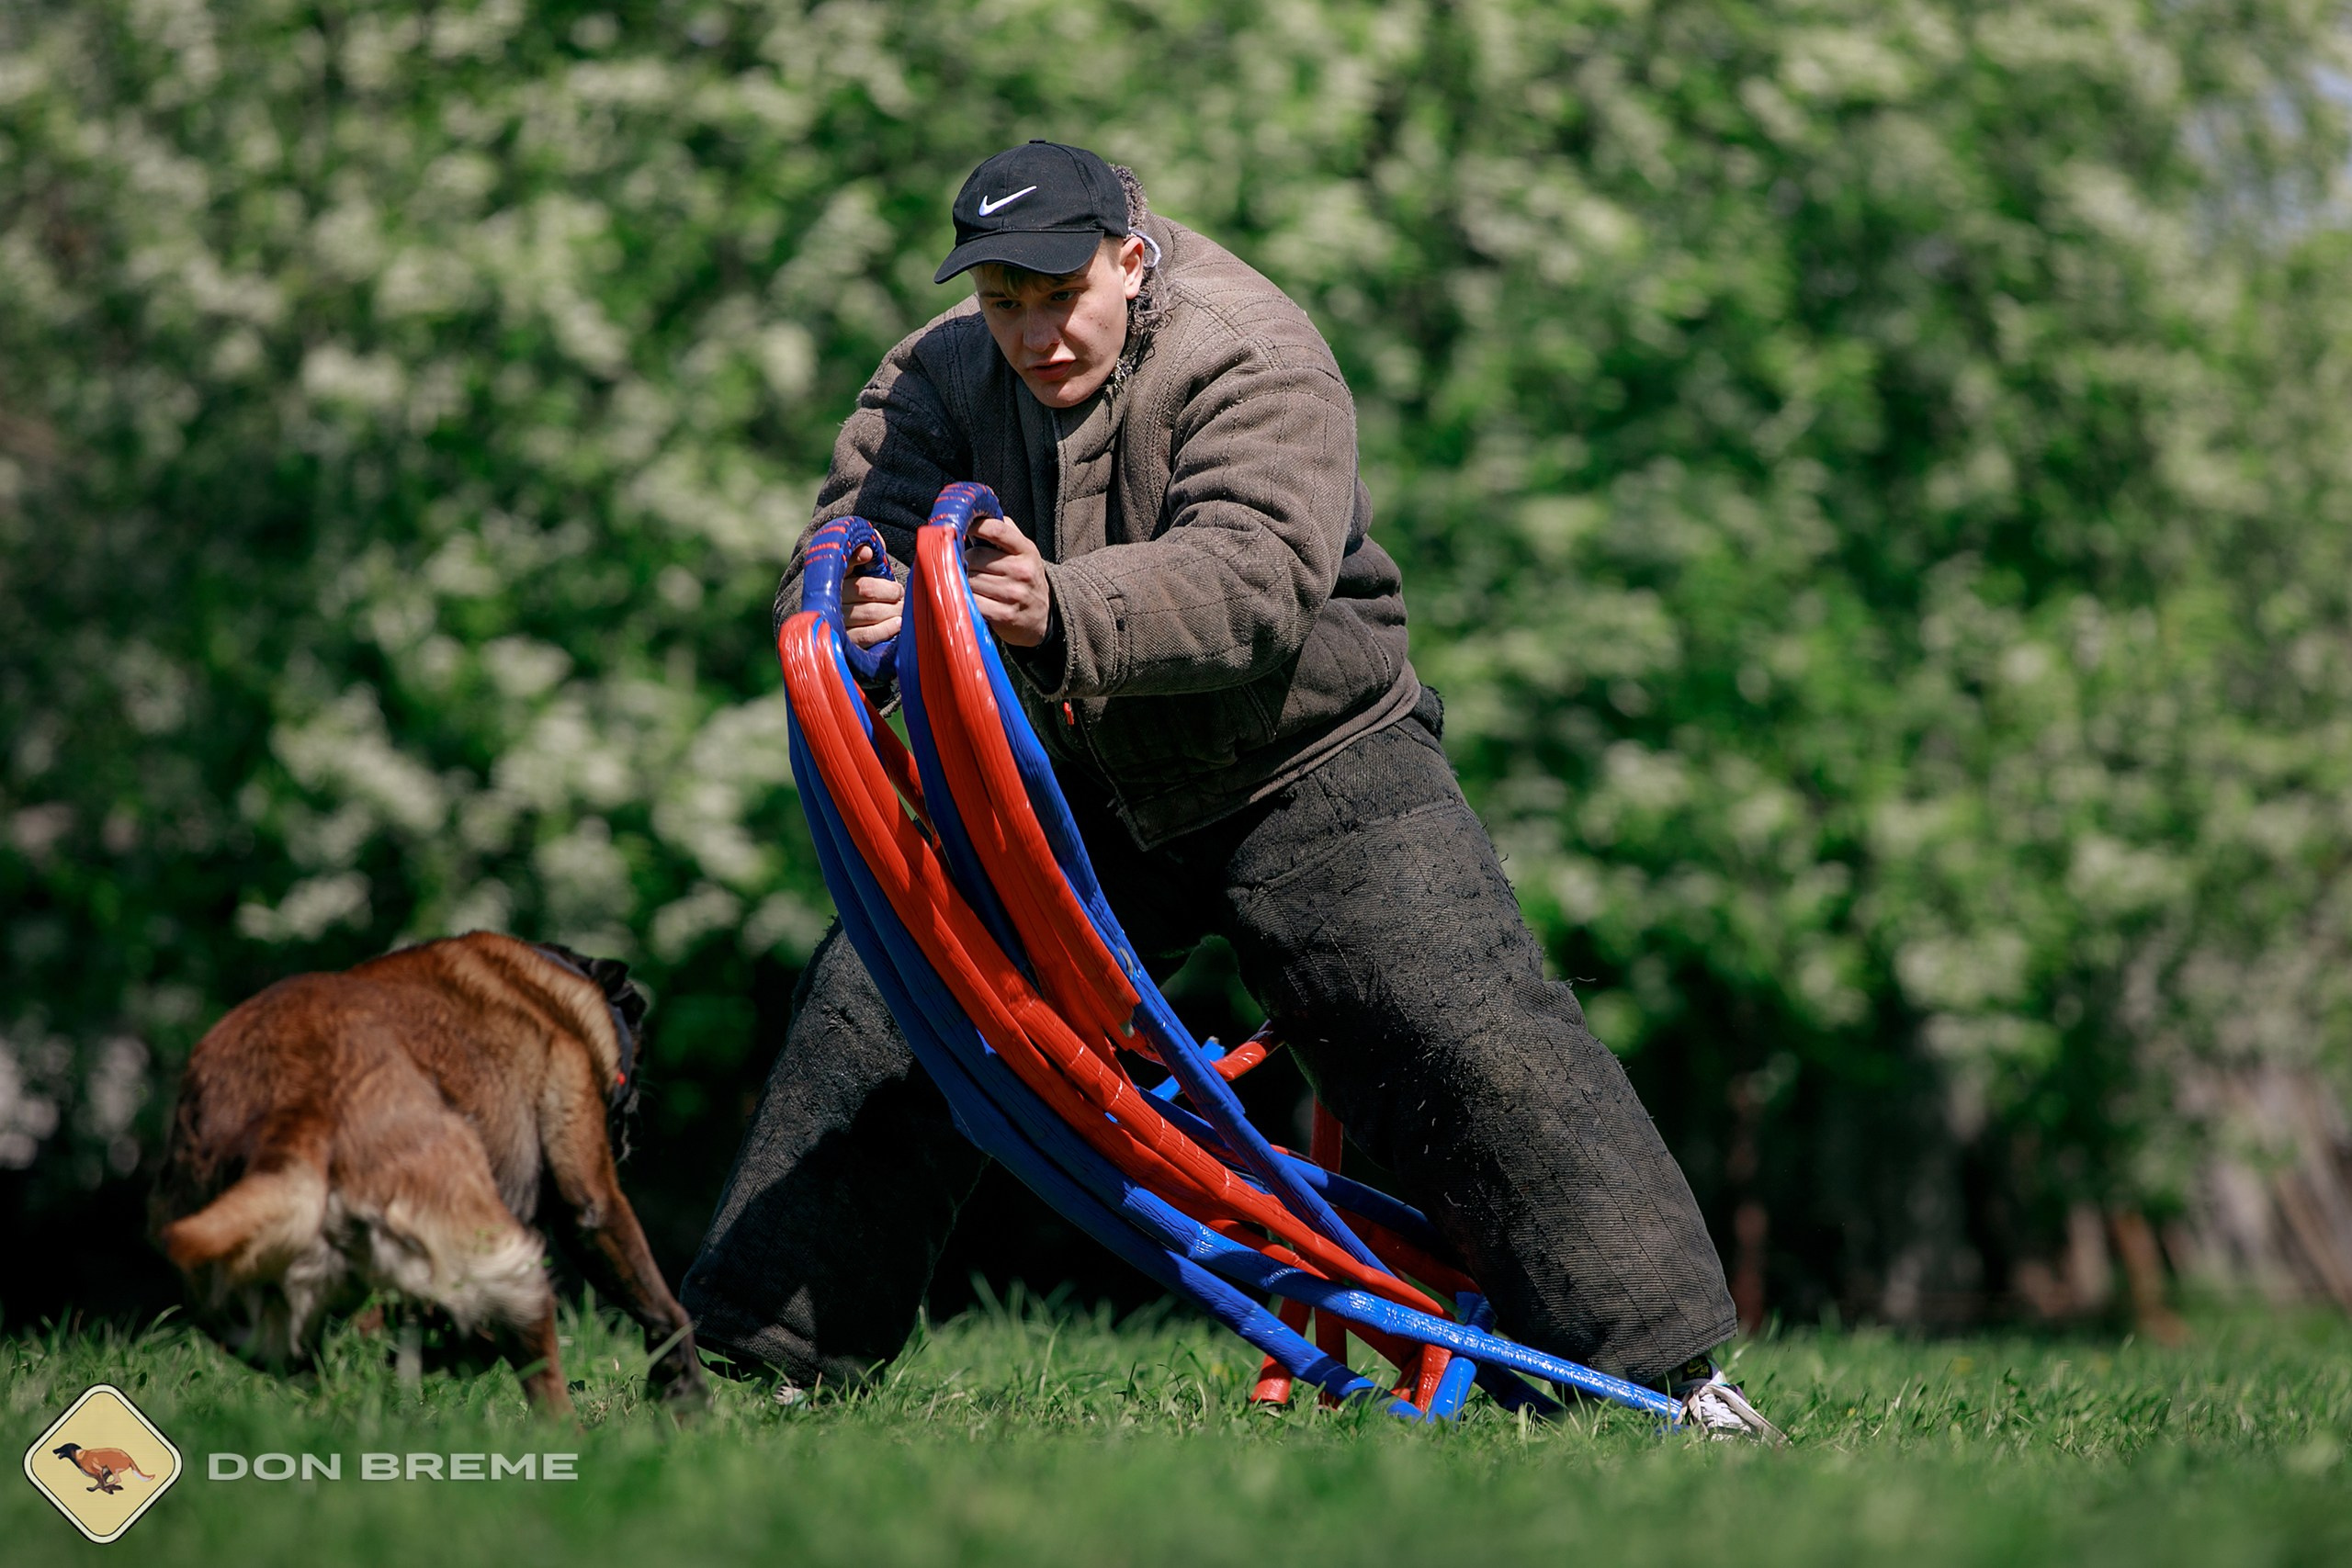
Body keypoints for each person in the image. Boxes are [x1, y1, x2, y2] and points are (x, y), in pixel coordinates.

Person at [683, 141, 1777, 1438]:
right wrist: (867, 611)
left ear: (1132, 260)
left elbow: (1256, 575)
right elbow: (840, 542)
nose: (1033, 334)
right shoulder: (939, 371)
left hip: (1314, 767)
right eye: (1003, 301)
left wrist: (1057, 608)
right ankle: (761, 1370)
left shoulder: (1251, 350)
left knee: (1477, 1038)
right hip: (1078, 783)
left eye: (1062, 295)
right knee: (887, 1003)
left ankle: (1673, 1385)